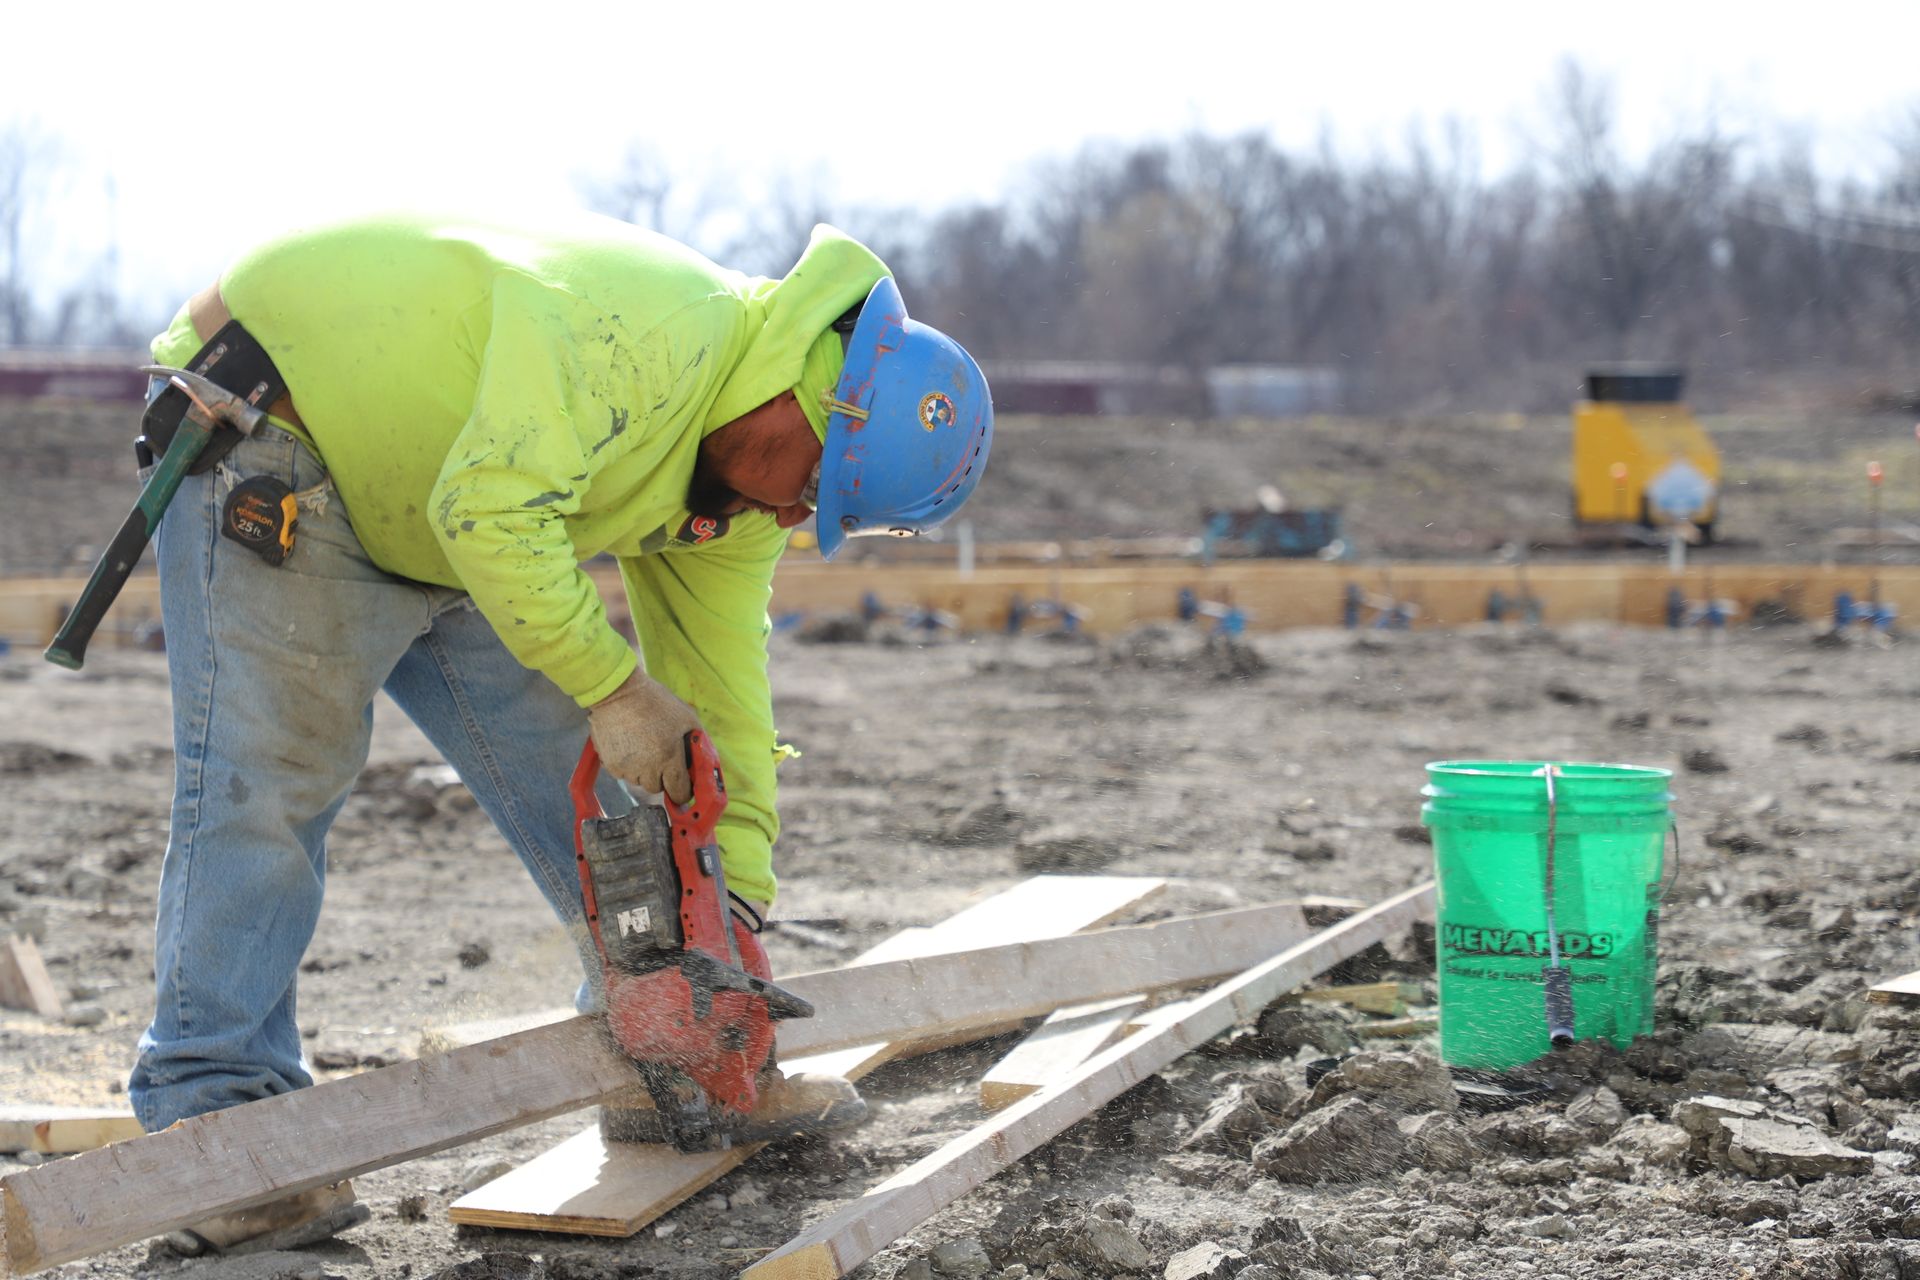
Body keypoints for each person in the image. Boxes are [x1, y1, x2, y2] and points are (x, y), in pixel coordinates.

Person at [128, 209, 994, 1253]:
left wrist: (734, 892)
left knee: (596, 792)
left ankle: (672, 1052)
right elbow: (493, 515)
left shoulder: (731, 489)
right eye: (813, 487)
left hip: (446, 502)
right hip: (279, 431)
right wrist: (612, 685)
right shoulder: (647, 337)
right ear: (808, 398)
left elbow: (720, 697)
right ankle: (215, 1124)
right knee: (267, 785)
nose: (795, 515)